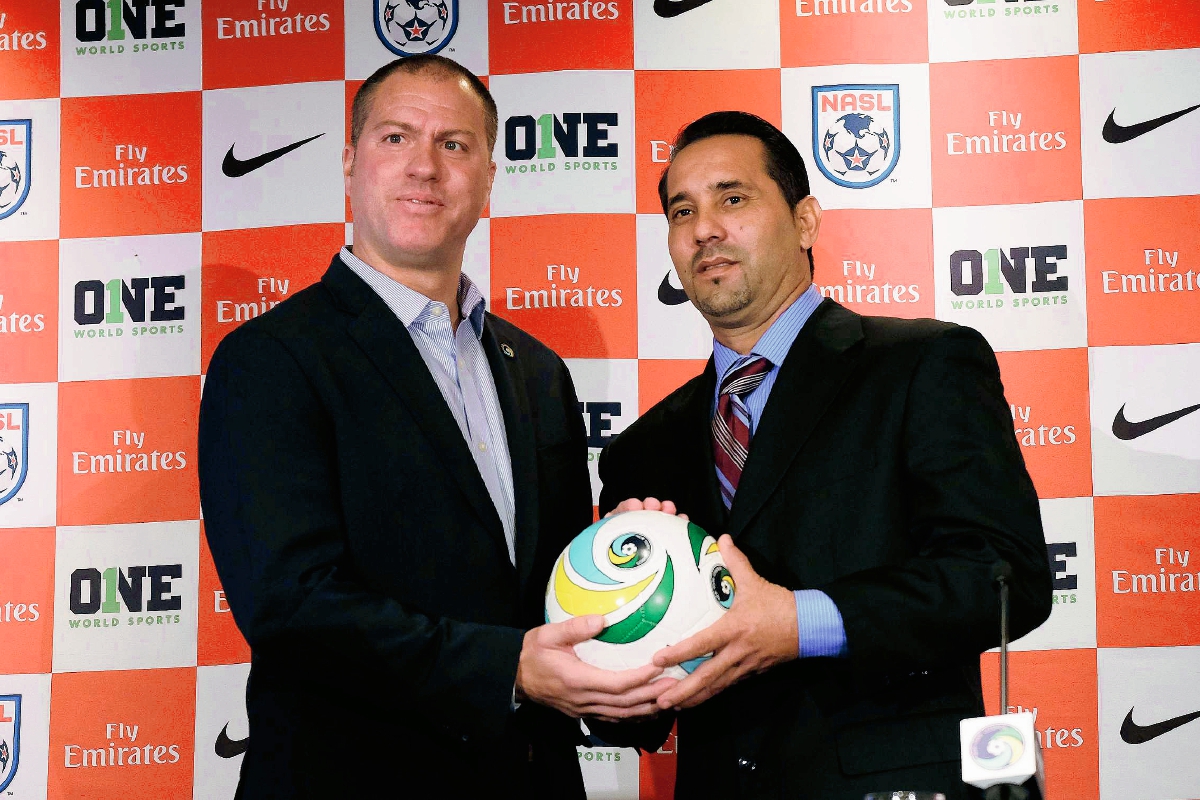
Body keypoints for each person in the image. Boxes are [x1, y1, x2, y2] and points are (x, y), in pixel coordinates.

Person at [198, 55, 666, 799]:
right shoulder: (271, 360)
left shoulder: (538, 372)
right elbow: (293, 609)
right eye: (396, 138)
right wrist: (509, 668)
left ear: (487, 177)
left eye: (455, 144)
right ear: (351, 163)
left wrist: (635, 582)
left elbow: (549, 598)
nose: (425, 167)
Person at [595, 111, 1053, 799]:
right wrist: (615, 641)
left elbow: (1006, 578)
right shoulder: (641, 451)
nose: (704, 228)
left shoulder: (923, 364)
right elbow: (632, 712)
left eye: (733, 197)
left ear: (806, 221)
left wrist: (801, 622)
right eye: (681, 210)